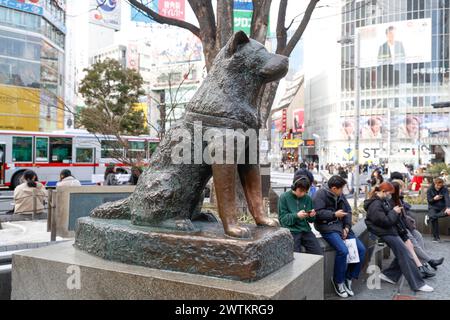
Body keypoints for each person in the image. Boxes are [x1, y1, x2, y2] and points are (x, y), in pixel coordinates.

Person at [364, 182, 434, 293]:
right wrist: (394, 212)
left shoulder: (383, 201)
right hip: (385, 233)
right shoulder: (375, 205)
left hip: (390, 232)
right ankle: (418, 284)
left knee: (404, 253)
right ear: (383, 192)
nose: (390, 195)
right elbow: (385, 222)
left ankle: (390, 275)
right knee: (406, 254)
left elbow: (396, 222)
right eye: (389, 193)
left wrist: (405, 237)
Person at [313, 175, 366, 298]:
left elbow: (348, 211)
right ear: (333, 188)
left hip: (342, 227)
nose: (343, 191)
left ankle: (349, 278)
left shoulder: (339, 194)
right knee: (343, 250)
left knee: (361, 249)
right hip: (327, 227)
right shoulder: (320, 194)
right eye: (341, 189)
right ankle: (338, 281)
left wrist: (347, 227)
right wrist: (334, 214)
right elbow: (317, 214)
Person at [391, 180, 444, 270]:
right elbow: (396, 218)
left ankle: (423, 262)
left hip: (405, 226)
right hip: (400, 229)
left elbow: (404, 214)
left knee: (418, 236)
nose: (403, 189)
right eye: (401, 188)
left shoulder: (399, 199)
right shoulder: (392, 201)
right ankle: (430, 261)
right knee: (413, 242)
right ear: (396, 190)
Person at [278, 177, 322, 255]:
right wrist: (296, 216)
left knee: (319, 254)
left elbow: (311, 220)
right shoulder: (284, 197)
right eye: (301, 191)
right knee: (296, 257)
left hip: (305, 230)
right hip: (291, 230)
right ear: (294, 187)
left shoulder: (307, 198)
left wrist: (311, 215)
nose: (303, 194)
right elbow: (283, 219)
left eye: (305, 191)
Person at [425, 177, 450, 242]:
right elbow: (429, 201)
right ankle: (436, 237)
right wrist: (434, 199)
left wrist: (448, 208)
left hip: (442, 207)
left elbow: (447, 198)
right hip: (433, 206)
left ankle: (429, 217)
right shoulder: (430, 190)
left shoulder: (444, 189)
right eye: (437, 185)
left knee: (448, 212)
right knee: (434, 219)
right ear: (434, 183)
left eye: (440, 186)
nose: (439, 187)